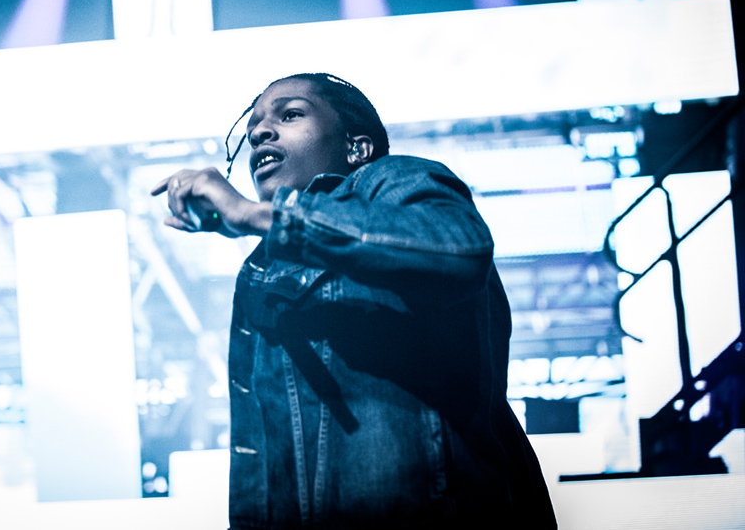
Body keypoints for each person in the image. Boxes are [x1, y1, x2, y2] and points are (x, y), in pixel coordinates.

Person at [152, 73, 556, 529]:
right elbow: (263, 453)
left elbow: (459, 248)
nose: (261, 132)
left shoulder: (394, 178)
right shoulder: (263, 268)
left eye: (289, 114)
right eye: (254, 131)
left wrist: (256, 213)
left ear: (356, 148)